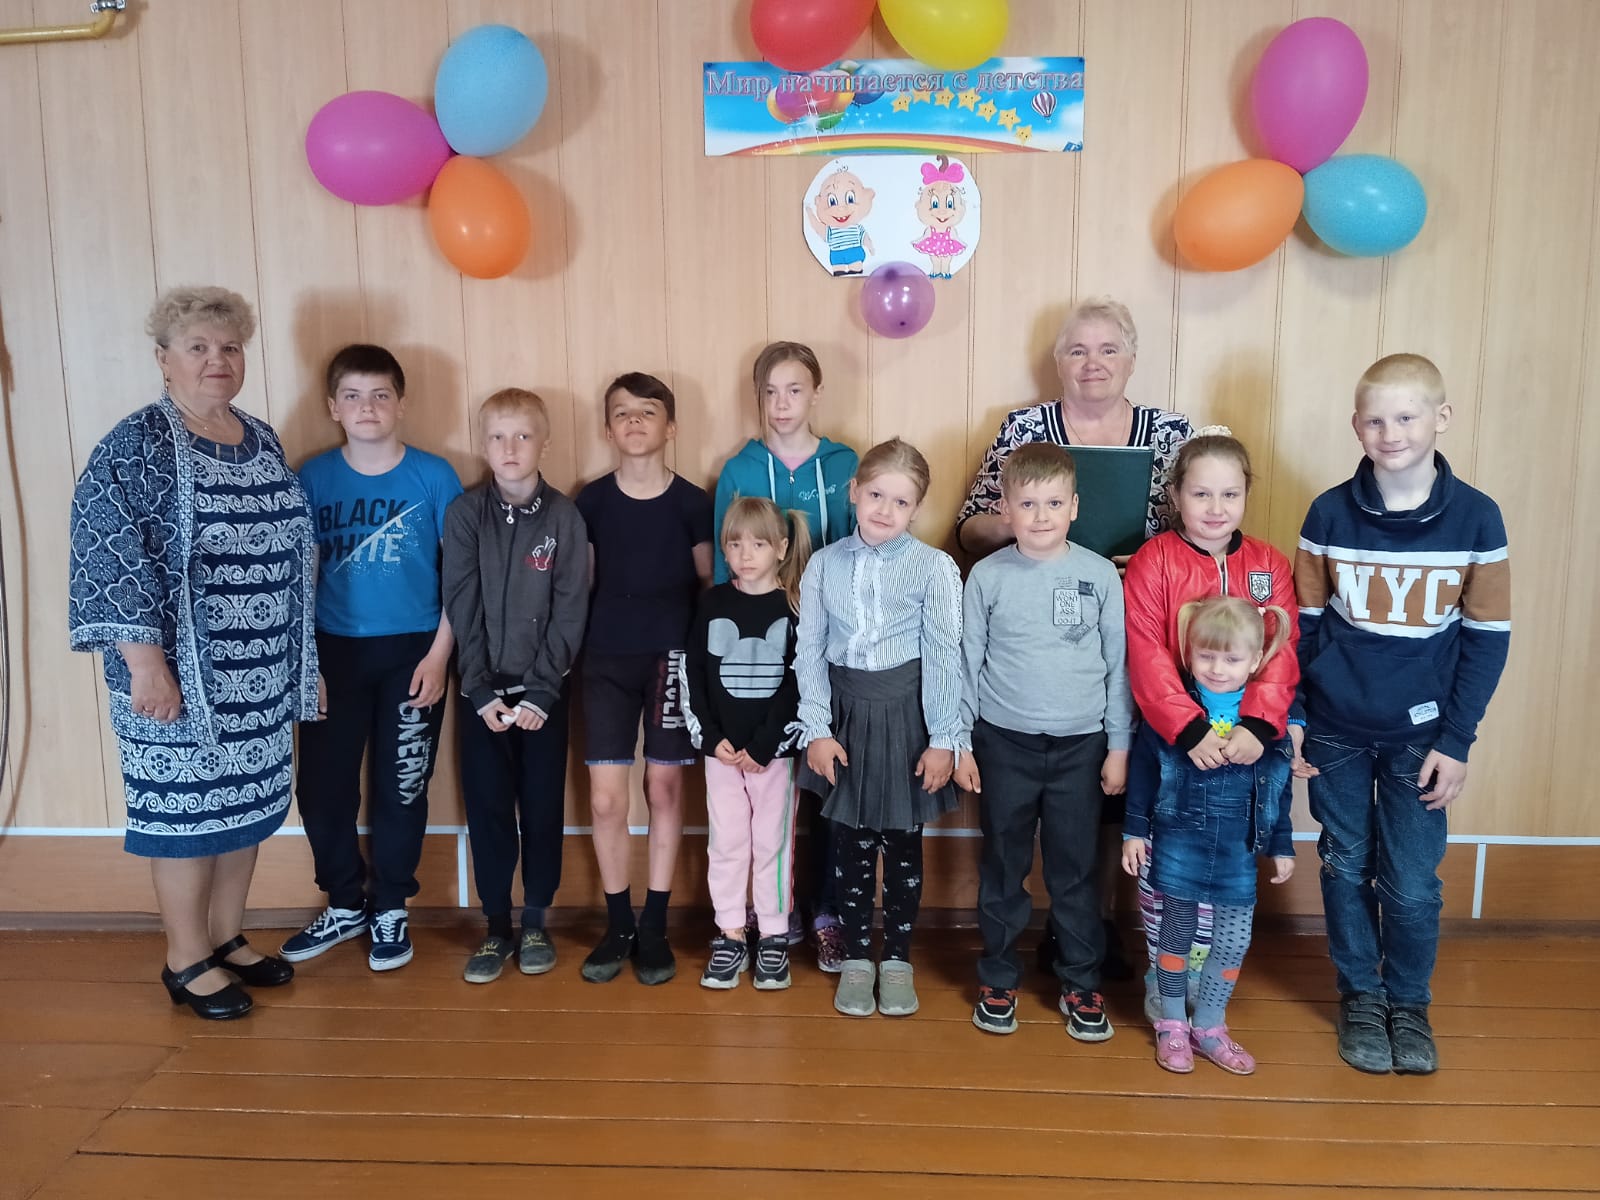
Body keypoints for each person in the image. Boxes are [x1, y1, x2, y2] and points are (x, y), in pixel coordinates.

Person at [68, 286, 318, 1019]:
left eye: (230, 347)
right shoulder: (135, 444)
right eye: (198, 347)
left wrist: (297, 665)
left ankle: (225, 937)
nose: (217, 360)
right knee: (187, 820)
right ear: (164, 359)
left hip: (260, 673)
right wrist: (146, 663)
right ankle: (185, 960)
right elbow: (108, 554)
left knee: (246, 810)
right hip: (177, 678)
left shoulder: (260, 437)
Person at [957, 296, 1192, 979]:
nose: (1093, 362)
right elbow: (969, 527)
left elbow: (1198, 527)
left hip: (1133, 620)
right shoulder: (1025, 429)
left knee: (1095, 813)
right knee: (1016, 837)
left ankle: (1087, 940)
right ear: (1058, 361)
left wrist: (1142, 560)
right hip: (1028, 643)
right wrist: (1026, 524)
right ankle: (1017, 957)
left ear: (1132, 359)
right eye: (1078, 350)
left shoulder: (1170, 432)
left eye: (1109, 349)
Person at [1295, 354, 1510, 1076]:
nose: (1391, 433)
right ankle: (1361, 996)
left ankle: (1409, 1004)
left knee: (1413, 882)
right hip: (1335, 731)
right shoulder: (1327, 513)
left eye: (1407, 417)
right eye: (1376, 420)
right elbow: (1303, 626)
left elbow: (1486, 639)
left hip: (1424, 738)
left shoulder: (1478, 517)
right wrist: (1298, 713)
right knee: (1345, 863)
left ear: (1441, 418)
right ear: (1356, 427)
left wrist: (1458, 739)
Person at [282, 345, 461, 973]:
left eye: (381, 395)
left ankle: (390, 906)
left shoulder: (435, 476)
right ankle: (344, 902)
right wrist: (307, 663)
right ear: (333, 407)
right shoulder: (312, 478)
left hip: (415, 652)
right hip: (333, 654)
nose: (367, 407)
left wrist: (440, 656)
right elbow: (299, 579)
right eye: (353, 396)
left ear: (401, 404)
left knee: (402, 787)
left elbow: (460, 578)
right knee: (322, 788)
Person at [956, 445, 1134, 1040]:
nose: (1040, 516)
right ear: (1005, 509)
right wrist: (961, 743)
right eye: (1027, 504)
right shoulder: (987, 576)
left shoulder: (1099, 574)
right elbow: (965, 664)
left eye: (1054, 503)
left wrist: (1118, 746)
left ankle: (1080, 981)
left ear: (1074, 507)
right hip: (1003, 743)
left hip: (1082, 747)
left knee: (1075, 869)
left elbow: (1119, 667)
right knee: (1003, 865)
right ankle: (998, 976)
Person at [1123, 430, 1299, 1025]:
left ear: (1247, 494)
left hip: (1246, 748)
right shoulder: (1154, 560)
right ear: (1176, 495)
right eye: (1201, 494)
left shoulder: (1268, 563)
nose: (1216, 508)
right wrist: (1188, 729)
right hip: (1175, 745)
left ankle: (1202, 984)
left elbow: (1282, 651)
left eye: (1230, 494)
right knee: (1170, 877)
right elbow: (1146, 653)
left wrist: (1260, 725)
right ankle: (1164, 976)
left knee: (1224, 876)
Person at [796, 438, 962, 1019]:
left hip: (907, 718)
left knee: (902, 843)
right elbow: (809, 651)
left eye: (900, 501)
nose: (885, 510)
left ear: (916, 508)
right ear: (854, 492)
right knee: (850, 843)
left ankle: (896, 959)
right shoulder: (824, 564)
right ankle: (856, 958)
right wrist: (817, 728)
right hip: (843, 717)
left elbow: (945, 657)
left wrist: (943, 739)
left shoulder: (935, 568)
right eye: (875, 495)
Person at [713, 340, 857, 971]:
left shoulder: (844, 463)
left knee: (824, 783)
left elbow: (861, 547)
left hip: (834, 644)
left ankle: (824, 912)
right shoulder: (739, 469)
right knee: (761, 783)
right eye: (769, 391)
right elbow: (723, 567)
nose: (781, 403)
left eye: (794, 389)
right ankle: (760, 913)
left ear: (816, 393)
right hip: (762, 650)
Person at [442, 388, 588, 984]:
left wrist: (542, 692)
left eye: (523, 436)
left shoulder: (564, 518)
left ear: (543, 443)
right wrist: (478, 690)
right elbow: (462, 604)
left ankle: (534, 921)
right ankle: (496, 925)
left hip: (543, 696)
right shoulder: (465, 514)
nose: (510, 448)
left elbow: (570, 609)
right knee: (489, 809)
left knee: (542, 806)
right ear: (483, 444)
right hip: (482, 696)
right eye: (498, 436)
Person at [576, 373, 714, 985]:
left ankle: (654, 924)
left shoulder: (692, 503)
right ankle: (619, 923)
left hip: (671, 661)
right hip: (604, 661)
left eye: (648, 411)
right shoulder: (591, 501)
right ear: (608, 429)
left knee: (663, 788)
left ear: (671, 427)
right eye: (622, 413)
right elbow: (582, 586)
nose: (634, 421)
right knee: (607, 799)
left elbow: (709, 587)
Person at [1123, 596, 1297, 1076]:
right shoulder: (1173, 711)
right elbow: (1143, 773)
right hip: (1177, 839)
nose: (1217, 669)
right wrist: (1134, 831)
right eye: (1206, 656)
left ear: (1255, 661)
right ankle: (1172, 1023)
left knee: (1233, 941)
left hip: (1237, 849)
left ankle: (1209, 1025)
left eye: (1232, 659)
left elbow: (1277, 787)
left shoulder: (1267, 721)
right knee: (1174, 934)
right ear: (1189, 653)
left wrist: (1282, 843)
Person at [682, 498, 812, 991]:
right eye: (735, 545)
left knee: (772, 843)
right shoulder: (712, 602)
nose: (745, 554)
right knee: (728, 842)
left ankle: (774, 934)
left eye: (758, 544)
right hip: (722, 755)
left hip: (773, 756)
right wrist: (712, 738)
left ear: (781, 548)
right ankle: (731, 932)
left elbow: (800, 683)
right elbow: (694, 672)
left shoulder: (795, 607)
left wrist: (765, 745)